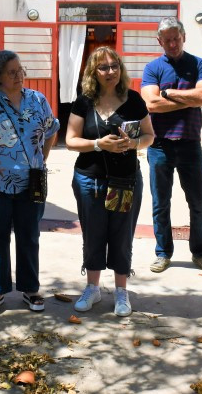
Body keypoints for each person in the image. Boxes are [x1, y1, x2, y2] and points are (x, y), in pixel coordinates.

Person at [0, 50, 59, 314]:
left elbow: (52, 130)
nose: (19, 76)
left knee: (29, 235)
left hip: (33, 182)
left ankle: (30, 289)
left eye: (20, 70)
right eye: (11, 72)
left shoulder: (38, 100)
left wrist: (40, 159)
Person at [66, 47, 155, 316]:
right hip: (89, 179)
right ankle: (92, 289)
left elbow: (150, 135)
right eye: (103, 67)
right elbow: (70, 140)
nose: (110, 72)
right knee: (93, 234)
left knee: (121, 234)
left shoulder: (134, 100)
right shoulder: (84, 102)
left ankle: (121, 292)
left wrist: (134, 143)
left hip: (124, 181)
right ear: (93, 72)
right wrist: (97, 144)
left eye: (114, 65)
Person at [140, 17, 202, 274]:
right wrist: (191, 100)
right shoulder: (152, 68)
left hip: (190, 144)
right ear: (159, 41)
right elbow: (151, 105)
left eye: (177, 38)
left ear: (184, 37)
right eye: (167, 40)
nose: (172, 43)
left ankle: (200, 253)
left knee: (197, 201)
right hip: (160, 145)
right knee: (161, 203)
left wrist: (169, 93)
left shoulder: (199, 64)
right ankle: (163, 253)